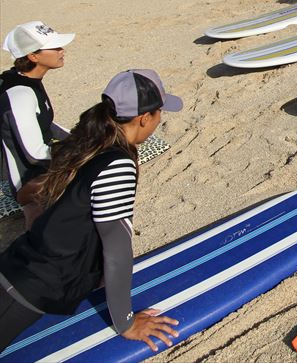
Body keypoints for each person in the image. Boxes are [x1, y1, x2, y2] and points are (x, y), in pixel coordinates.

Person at [0, 69, 183, 353]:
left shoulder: (91, 142)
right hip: (25, 289)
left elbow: (70, 213)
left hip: (20, 269)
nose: (159, 120)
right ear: (144, 118)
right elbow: (117, 250)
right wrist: (126, 323)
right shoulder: (117, 165)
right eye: (159, 113)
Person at [1, 21, 75, 229]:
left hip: (39, 169)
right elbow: (35, 153)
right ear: (33, 56)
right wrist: (78, 152)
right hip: (29, 182)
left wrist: (78, 139)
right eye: (55, 47)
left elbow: (45, 124)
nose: (62, 51)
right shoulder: (20, 94)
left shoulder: (27, 80)